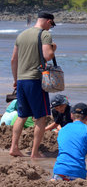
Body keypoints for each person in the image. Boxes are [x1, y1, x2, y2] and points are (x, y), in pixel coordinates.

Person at [10, 11, 57, 158]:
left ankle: (14, 147)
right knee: (41, 116)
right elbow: (47, 55)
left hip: (22, 80)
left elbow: (13, 60)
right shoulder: (44, 34)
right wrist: (53, 48)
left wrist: (15, 80)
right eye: (51, 26)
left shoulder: (21, 35)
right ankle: (35, 152)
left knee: (21, 115)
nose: (50, 29)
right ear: (48, 22)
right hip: (36, 80)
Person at [52, 103, 87, 182]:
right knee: (84, 177)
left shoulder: (62, 130)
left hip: (59, 171)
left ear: (71, 115)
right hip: (77, 174)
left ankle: (55, 179)